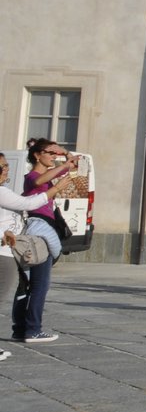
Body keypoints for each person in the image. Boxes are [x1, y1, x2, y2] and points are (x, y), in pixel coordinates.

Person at [0, 151, 75, 353]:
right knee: (30, 287)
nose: (6, 169)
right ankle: (31, 329)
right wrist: (57, 186)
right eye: (3, 167)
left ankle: (23, 328)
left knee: (23, 287)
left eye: (7, 166)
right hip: (14, 247)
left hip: (13, 245)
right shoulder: (23, 182)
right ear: (37, 155)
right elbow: (29, 203)